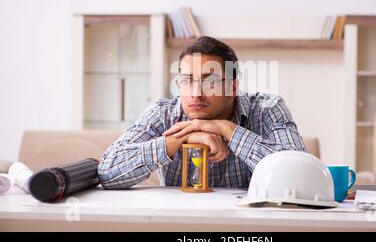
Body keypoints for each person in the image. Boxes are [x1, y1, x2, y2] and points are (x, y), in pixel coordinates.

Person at [98, 36, 305, 189]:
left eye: (211, 81)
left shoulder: (267, 108)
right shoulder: (163, 113)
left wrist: (228, 129)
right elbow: (107, 172)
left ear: (233, 87)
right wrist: (182, 137)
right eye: (187, 81)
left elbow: (299, 175)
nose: (196, 93)